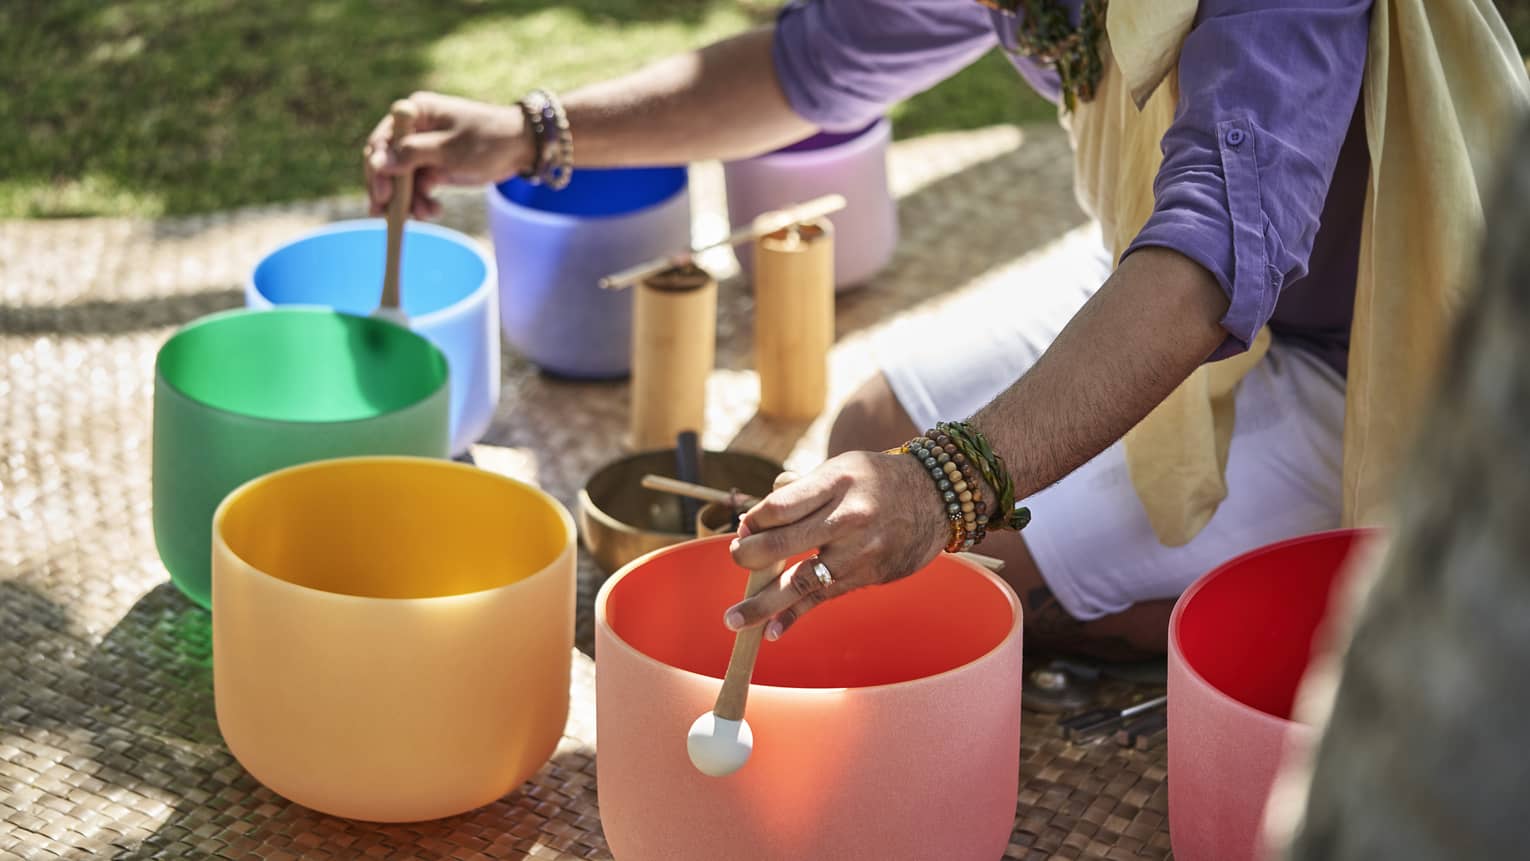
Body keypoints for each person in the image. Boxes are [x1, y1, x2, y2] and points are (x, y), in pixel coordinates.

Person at [366, 1, 1526, 659]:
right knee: (866, 430)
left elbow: (1204, 266)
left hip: (1405, 345)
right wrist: (528, 133)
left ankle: (1379, 608)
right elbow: (806, 67)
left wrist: (947, 483)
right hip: (1179, 276)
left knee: (977, 576)